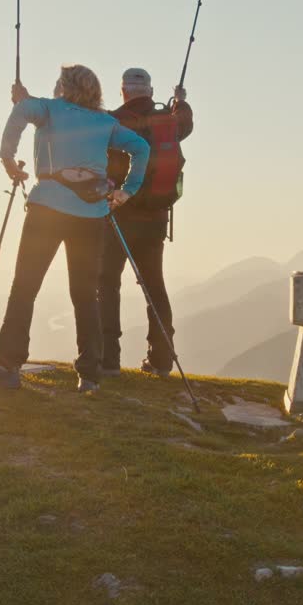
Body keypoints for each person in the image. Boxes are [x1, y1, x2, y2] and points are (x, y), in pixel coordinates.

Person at [0, 66, 151, 392]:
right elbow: (141, 147)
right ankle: (89, 375)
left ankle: (7, 367)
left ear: (65, 86)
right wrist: (126, 191)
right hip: (91, 215)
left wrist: (8, 160)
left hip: (47, 209)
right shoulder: (104, 122)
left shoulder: (46, 109)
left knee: (25, 287)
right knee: (85, 294)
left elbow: (20, 112)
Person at [98, 68, 194, 377]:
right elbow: (186, 123)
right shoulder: (168, 122)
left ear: (124, 91)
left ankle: (108, 358)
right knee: (155, 287)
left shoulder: (113, 120)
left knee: (107, 284)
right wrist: (180, 101)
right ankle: (161, 359)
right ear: (150, 92)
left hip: (119, 217)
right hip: (155, 218)